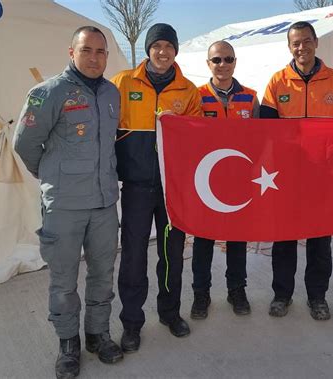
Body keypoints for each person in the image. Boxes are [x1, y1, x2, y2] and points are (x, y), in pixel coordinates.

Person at [13, 26, 123, 379]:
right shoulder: (48, 93)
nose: (94, 58)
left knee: (103, 275)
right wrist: (53, 178)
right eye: (86, 50)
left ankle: (97, 335)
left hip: (104, 204)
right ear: (71, 52)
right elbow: (25, 146)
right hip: (64, 207)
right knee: (63, 281)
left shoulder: (111, 93)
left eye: (100, 52)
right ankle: (68, 344)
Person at [260, 21, 333, 321]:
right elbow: (264, 129)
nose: (301, 47)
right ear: (289, 47)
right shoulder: (278, 82)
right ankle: (282, 294)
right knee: (284, 238)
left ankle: (317, 297)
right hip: (286, 176)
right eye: (295, 43)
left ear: (316, 42)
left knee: (320, 239)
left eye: (306, 41)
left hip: (323, 176)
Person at [111, 23, 202, 351]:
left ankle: (169, 312)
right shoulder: (123, 82)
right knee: (134, 255)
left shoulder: (188, 90)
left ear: (176, 50)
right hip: (136, 187)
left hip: (171, 189)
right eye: (157, 45)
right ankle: (132, 323)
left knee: (172, 254)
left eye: (169, 46)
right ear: (148, 49)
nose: (163, 52)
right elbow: (107, 126)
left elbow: (197, 139)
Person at [190, 41, 260, 320]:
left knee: (237, 239)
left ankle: (236, 289)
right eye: (216, 60)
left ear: (235, 62)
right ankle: (201, 294)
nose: (223, 64)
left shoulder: (251, 98)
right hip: (205, 181)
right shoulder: (196, 97)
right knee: (204, 240)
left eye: (228, 59)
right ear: (208, 64)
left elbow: (263, 139)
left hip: (239, 181)